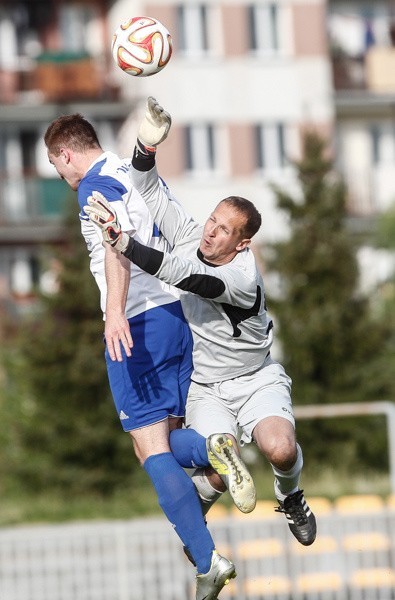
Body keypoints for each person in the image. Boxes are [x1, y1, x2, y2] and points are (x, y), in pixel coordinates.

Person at [85, 97, 317, 549]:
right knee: (218, 459)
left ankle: (290, 497)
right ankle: (202, 501)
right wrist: (145, 146)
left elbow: (183, 275)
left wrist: (122, 242)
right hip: (207, 386)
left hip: (255, 379)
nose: (211, 231)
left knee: (280, 449)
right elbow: (148, 190)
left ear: (243, 243)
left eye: (224, 230)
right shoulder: (196, 236)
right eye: (212, 219)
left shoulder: (239, 277)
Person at [44, 113, 257, 600]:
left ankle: (209, 561)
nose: (61, 175)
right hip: (176, 316)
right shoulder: (132, 172)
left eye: (57, 166)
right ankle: (216, 455)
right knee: (175, 439)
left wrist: (115, 312)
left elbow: (115, 245)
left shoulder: (92, 185)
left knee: (149, 448)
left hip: (137, 323)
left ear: (66, 154)